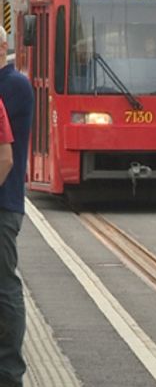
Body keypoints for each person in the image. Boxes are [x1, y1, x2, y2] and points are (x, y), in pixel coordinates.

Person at [0, 26, 34, 387]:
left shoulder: (14, 85)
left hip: (3, 202)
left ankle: (10, 373)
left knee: (4, 287)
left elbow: (4, 157)